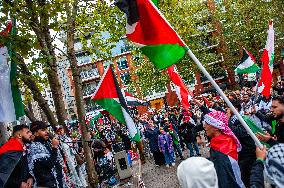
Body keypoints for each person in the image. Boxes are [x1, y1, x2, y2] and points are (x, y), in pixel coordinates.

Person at [203, 111, 244, 188]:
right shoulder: (224, 140)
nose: (204, 126)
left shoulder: (222, 148)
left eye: (207, 123)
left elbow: (224, 179)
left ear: (215, 127)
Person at [28, 121, 67, 188]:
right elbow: (49, 164)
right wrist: (54, 147)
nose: (47, 132)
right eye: (43, 130)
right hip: (47, 184)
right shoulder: (34, 146)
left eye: (47, 129)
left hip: (58, 182)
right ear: (36, 133)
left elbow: (57, 158)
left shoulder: (48, 143)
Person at [228, 100, 256, 187]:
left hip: (247, 154)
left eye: (228, 108)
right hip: (242, 155)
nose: (227, 110)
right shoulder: (234, 119)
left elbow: (237, 133)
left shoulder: (243, 119)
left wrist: (228, 119)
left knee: (249, 179)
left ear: (235, 108)